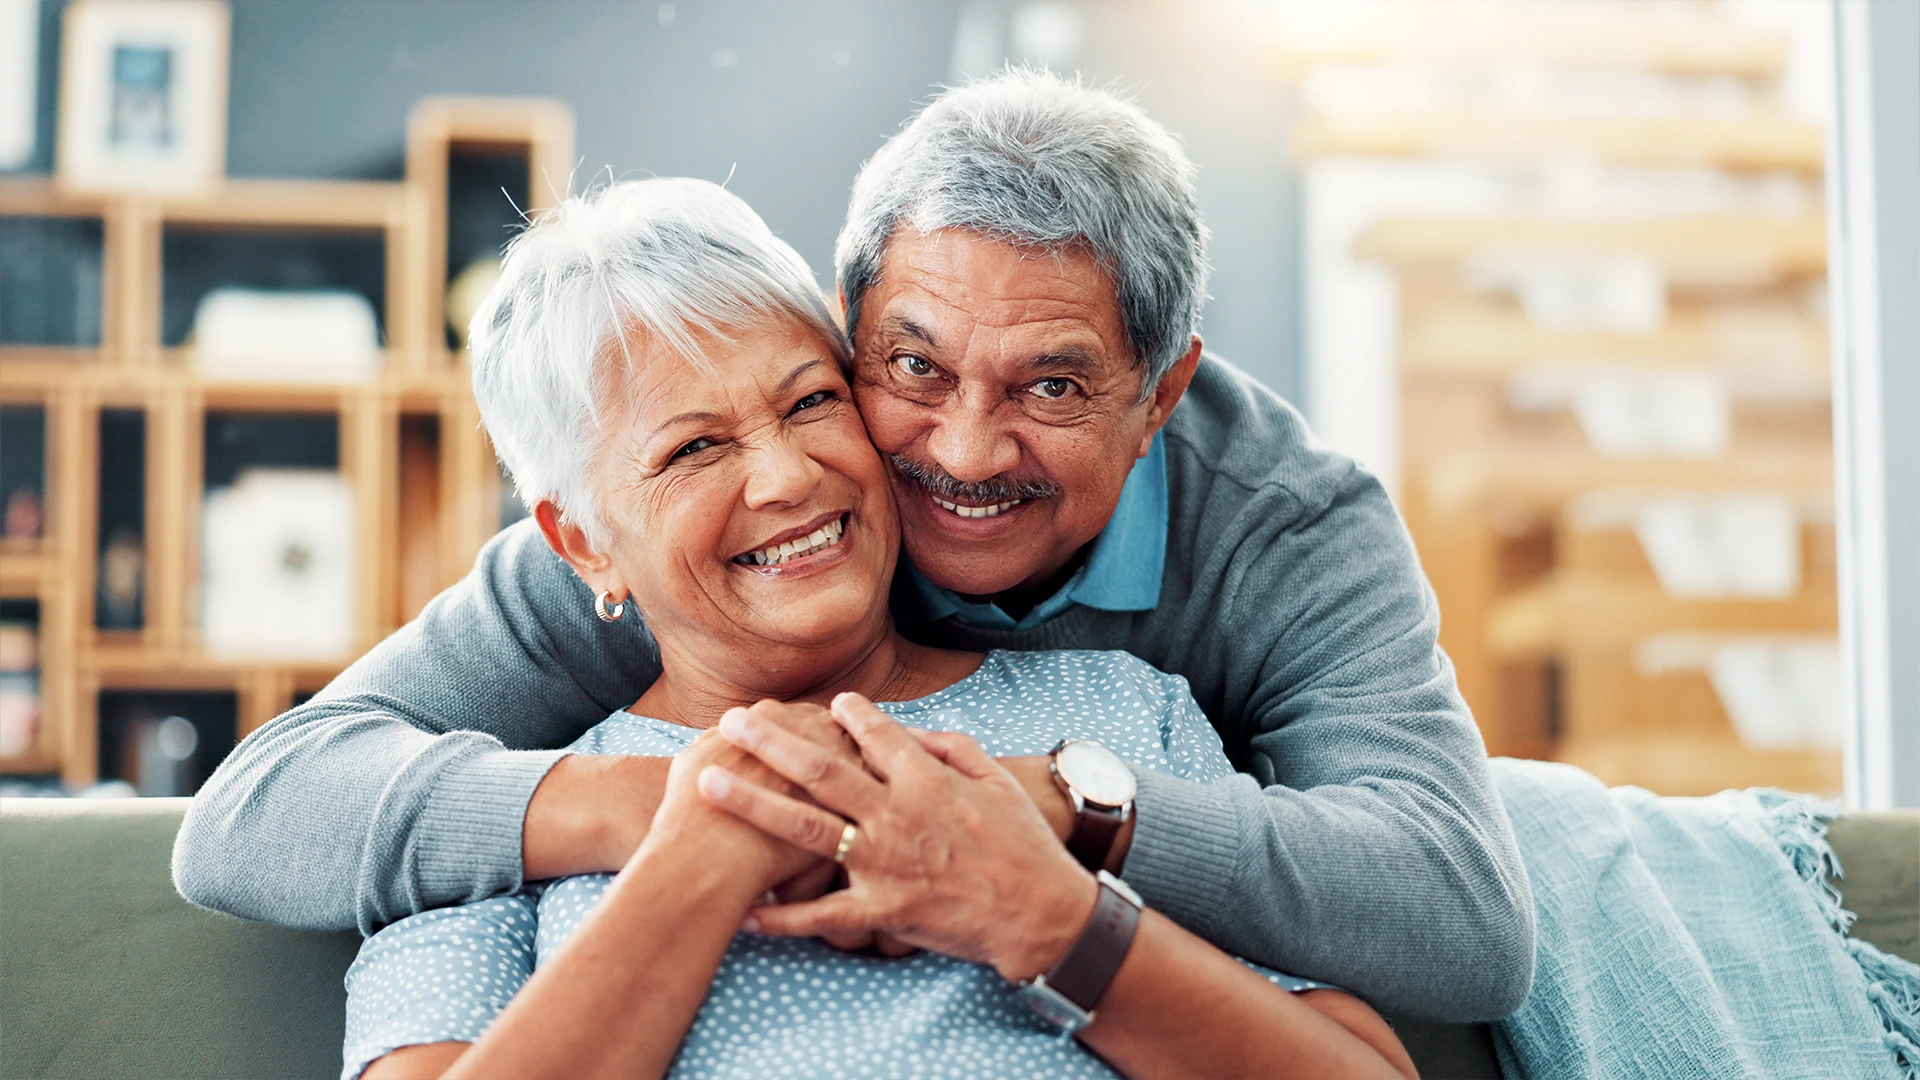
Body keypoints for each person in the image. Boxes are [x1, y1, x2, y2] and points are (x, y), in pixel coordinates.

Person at [175, 69, 1533, 1022]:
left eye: (1054, 387)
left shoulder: (1283, 531)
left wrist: (1058, 810)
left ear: (1160, 398)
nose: (960, 448)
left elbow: (1460, 913)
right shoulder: (680, 541)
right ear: (845, 322)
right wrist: (700, 808)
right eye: (909, 365)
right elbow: (257, 810)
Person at [345, 175, 1414, 1080]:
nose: (786, 476)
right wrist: (709, 845)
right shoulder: (508, 825)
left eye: (810, 402)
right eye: (692, 451)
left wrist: (1048, 920)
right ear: (582, 546)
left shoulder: (1117, 720)